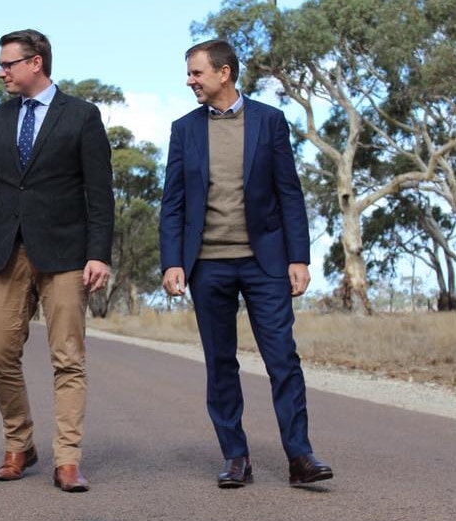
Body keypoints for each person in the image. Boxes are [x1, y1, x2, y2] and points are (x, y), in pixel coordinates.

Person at [159, 40, 333, 488]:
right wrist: (172, 263)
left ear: (225, 73)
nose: (189, 81)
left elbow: (289, 193)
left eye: (196, 73)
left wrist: (299, 257)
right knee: (220, 364)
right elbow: (173, 204)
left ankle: (300, 456)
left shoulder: (270, 122)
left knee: (283, 360)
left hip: (266, 263)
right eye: (189, 73)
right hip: (208, 265)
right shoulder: (184, 130)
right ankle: (235, 456)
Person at [0, 29, 114, 493]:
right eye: (0, 64)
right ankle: (19, 443)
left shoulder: (83, 116)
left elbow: (100, 193)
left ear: (36, 63)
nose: (1, 72)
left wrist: (99, 254)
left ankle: (67, 459)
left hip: (67, 255)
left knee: (67, 358)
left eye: (8, 64)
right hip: (9, 252)